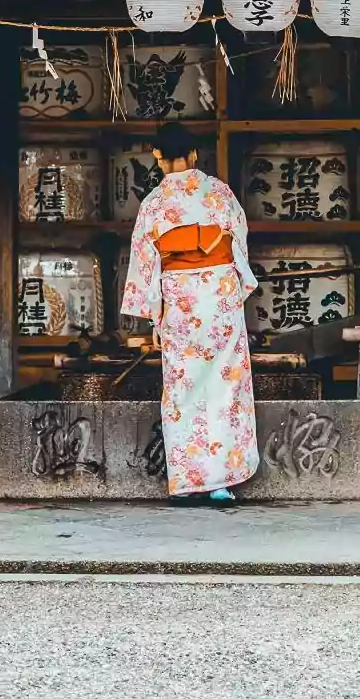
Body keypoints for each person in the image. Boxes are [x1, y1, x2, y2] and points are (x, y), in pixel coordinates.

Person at [121, 123, 259, 507]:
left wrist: (155, 314)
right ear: (195, 154)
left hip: (180, 300)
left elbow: (146, 263)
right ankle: (222, 483)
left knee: (182, 388)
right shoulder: (219, 193)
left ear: (158, 157)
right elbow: (238, 243)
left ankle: (186, 483)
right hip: (219, 297)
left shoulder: (154, 204)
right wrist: (232, 287)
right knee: (225, 386)